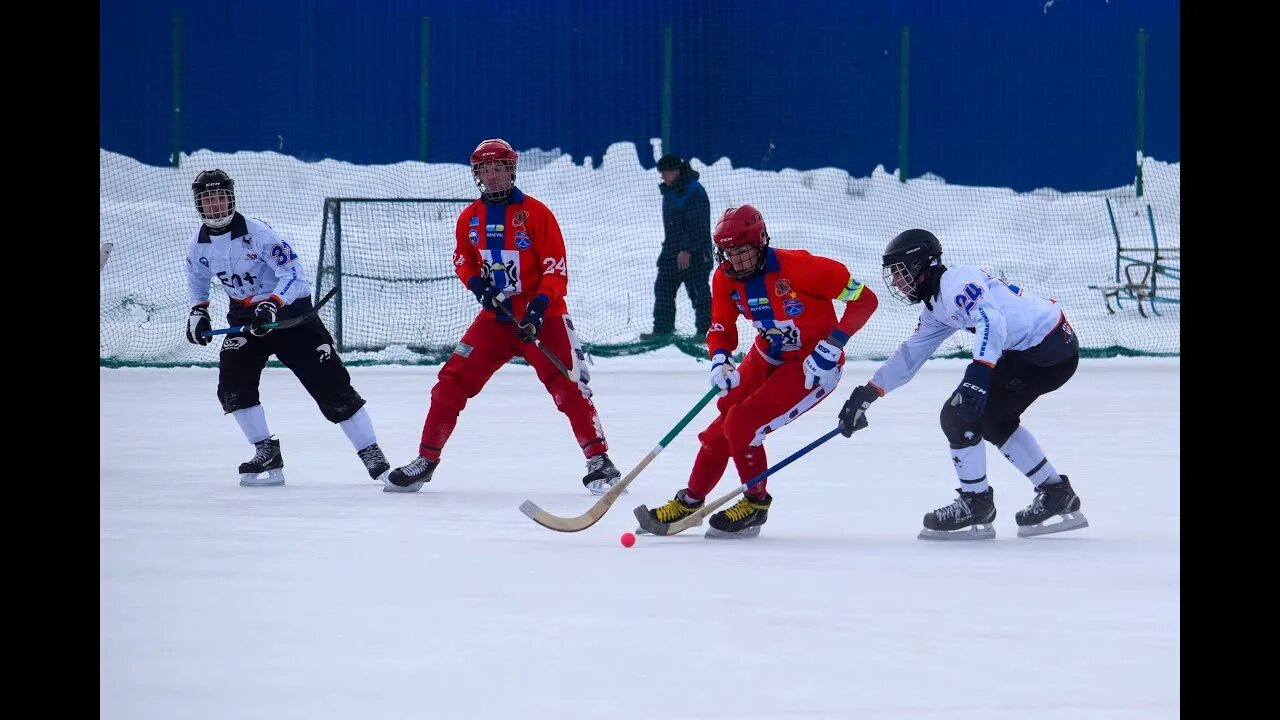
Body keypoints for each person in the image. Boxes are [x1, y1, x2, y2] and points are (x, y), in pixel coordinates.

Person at [386, 139, 622, 495]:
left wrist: (538, 309)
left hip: (541, 315)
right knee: (450, 383)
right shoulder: (470, 218)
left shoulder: (537, 214)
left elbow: (555, 268)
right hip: (496, 319)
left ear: (512, 170)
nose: (492, 176)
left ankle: (599, 458)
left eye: (499, 168)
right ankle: (426, 460)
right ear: (476, 174)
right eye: (485, 170)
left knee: (569, 385)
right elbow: (462, 259)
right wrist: (479, 286)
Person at [639, 205, 878, 537]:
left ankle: (755, 503)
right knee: (719, 427)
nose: (735, 261)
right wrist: (720, 358)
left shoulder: (805, 268)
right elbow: (721, 325)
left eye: (742, 251)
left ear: (761, 241)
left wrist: (833, 344)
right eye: (727, 253)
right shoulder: (724, 278)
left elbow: (865, 300)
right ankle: (691, 501)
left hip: (812, 366)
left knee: (742, 424)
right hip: (767, 354)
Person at [836, 229, 1087, 540]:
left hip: (1048, 350)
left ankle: (976, 503)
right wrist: (868, 393)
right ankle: (1055, 492)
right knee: (993, 421)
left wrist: (979, 373)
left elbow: (991, 321)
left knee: (959, 415)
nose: (897, 283)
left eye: (899, 273)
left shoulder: (957, 282)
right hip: (1040, 348)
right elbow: (911, 354)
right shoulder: (936, 306)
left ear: (920, 266)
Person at [183, 169, 390, 487]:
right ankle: (265, 450)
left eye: (220, 197)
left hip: (291, 315)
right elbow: (197, 281)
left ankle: (371, 451)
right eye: (207, 199)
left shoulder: (259, 233)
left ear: (231, 199)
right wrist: (199, 312)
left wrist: (273, 303)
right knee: (232, 386)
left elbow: (295, 275)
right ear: (198, 204)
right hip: (246, 321)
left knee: (332, 387)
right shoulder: (198, 246)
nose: (215, 206)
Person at [640, 153, 712, 341]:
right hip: (671, 251)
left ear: (675, 171)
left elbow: (698, 225)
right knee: (663, 288)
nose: (662, 177)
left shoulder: (694, 191)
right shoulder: (670, 191)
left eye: (664, 173)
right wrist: (671, 251)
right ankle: (662, 331)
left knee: (698, 293)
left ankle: (706, 332)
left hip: (695, 254)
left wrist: (687, 250)